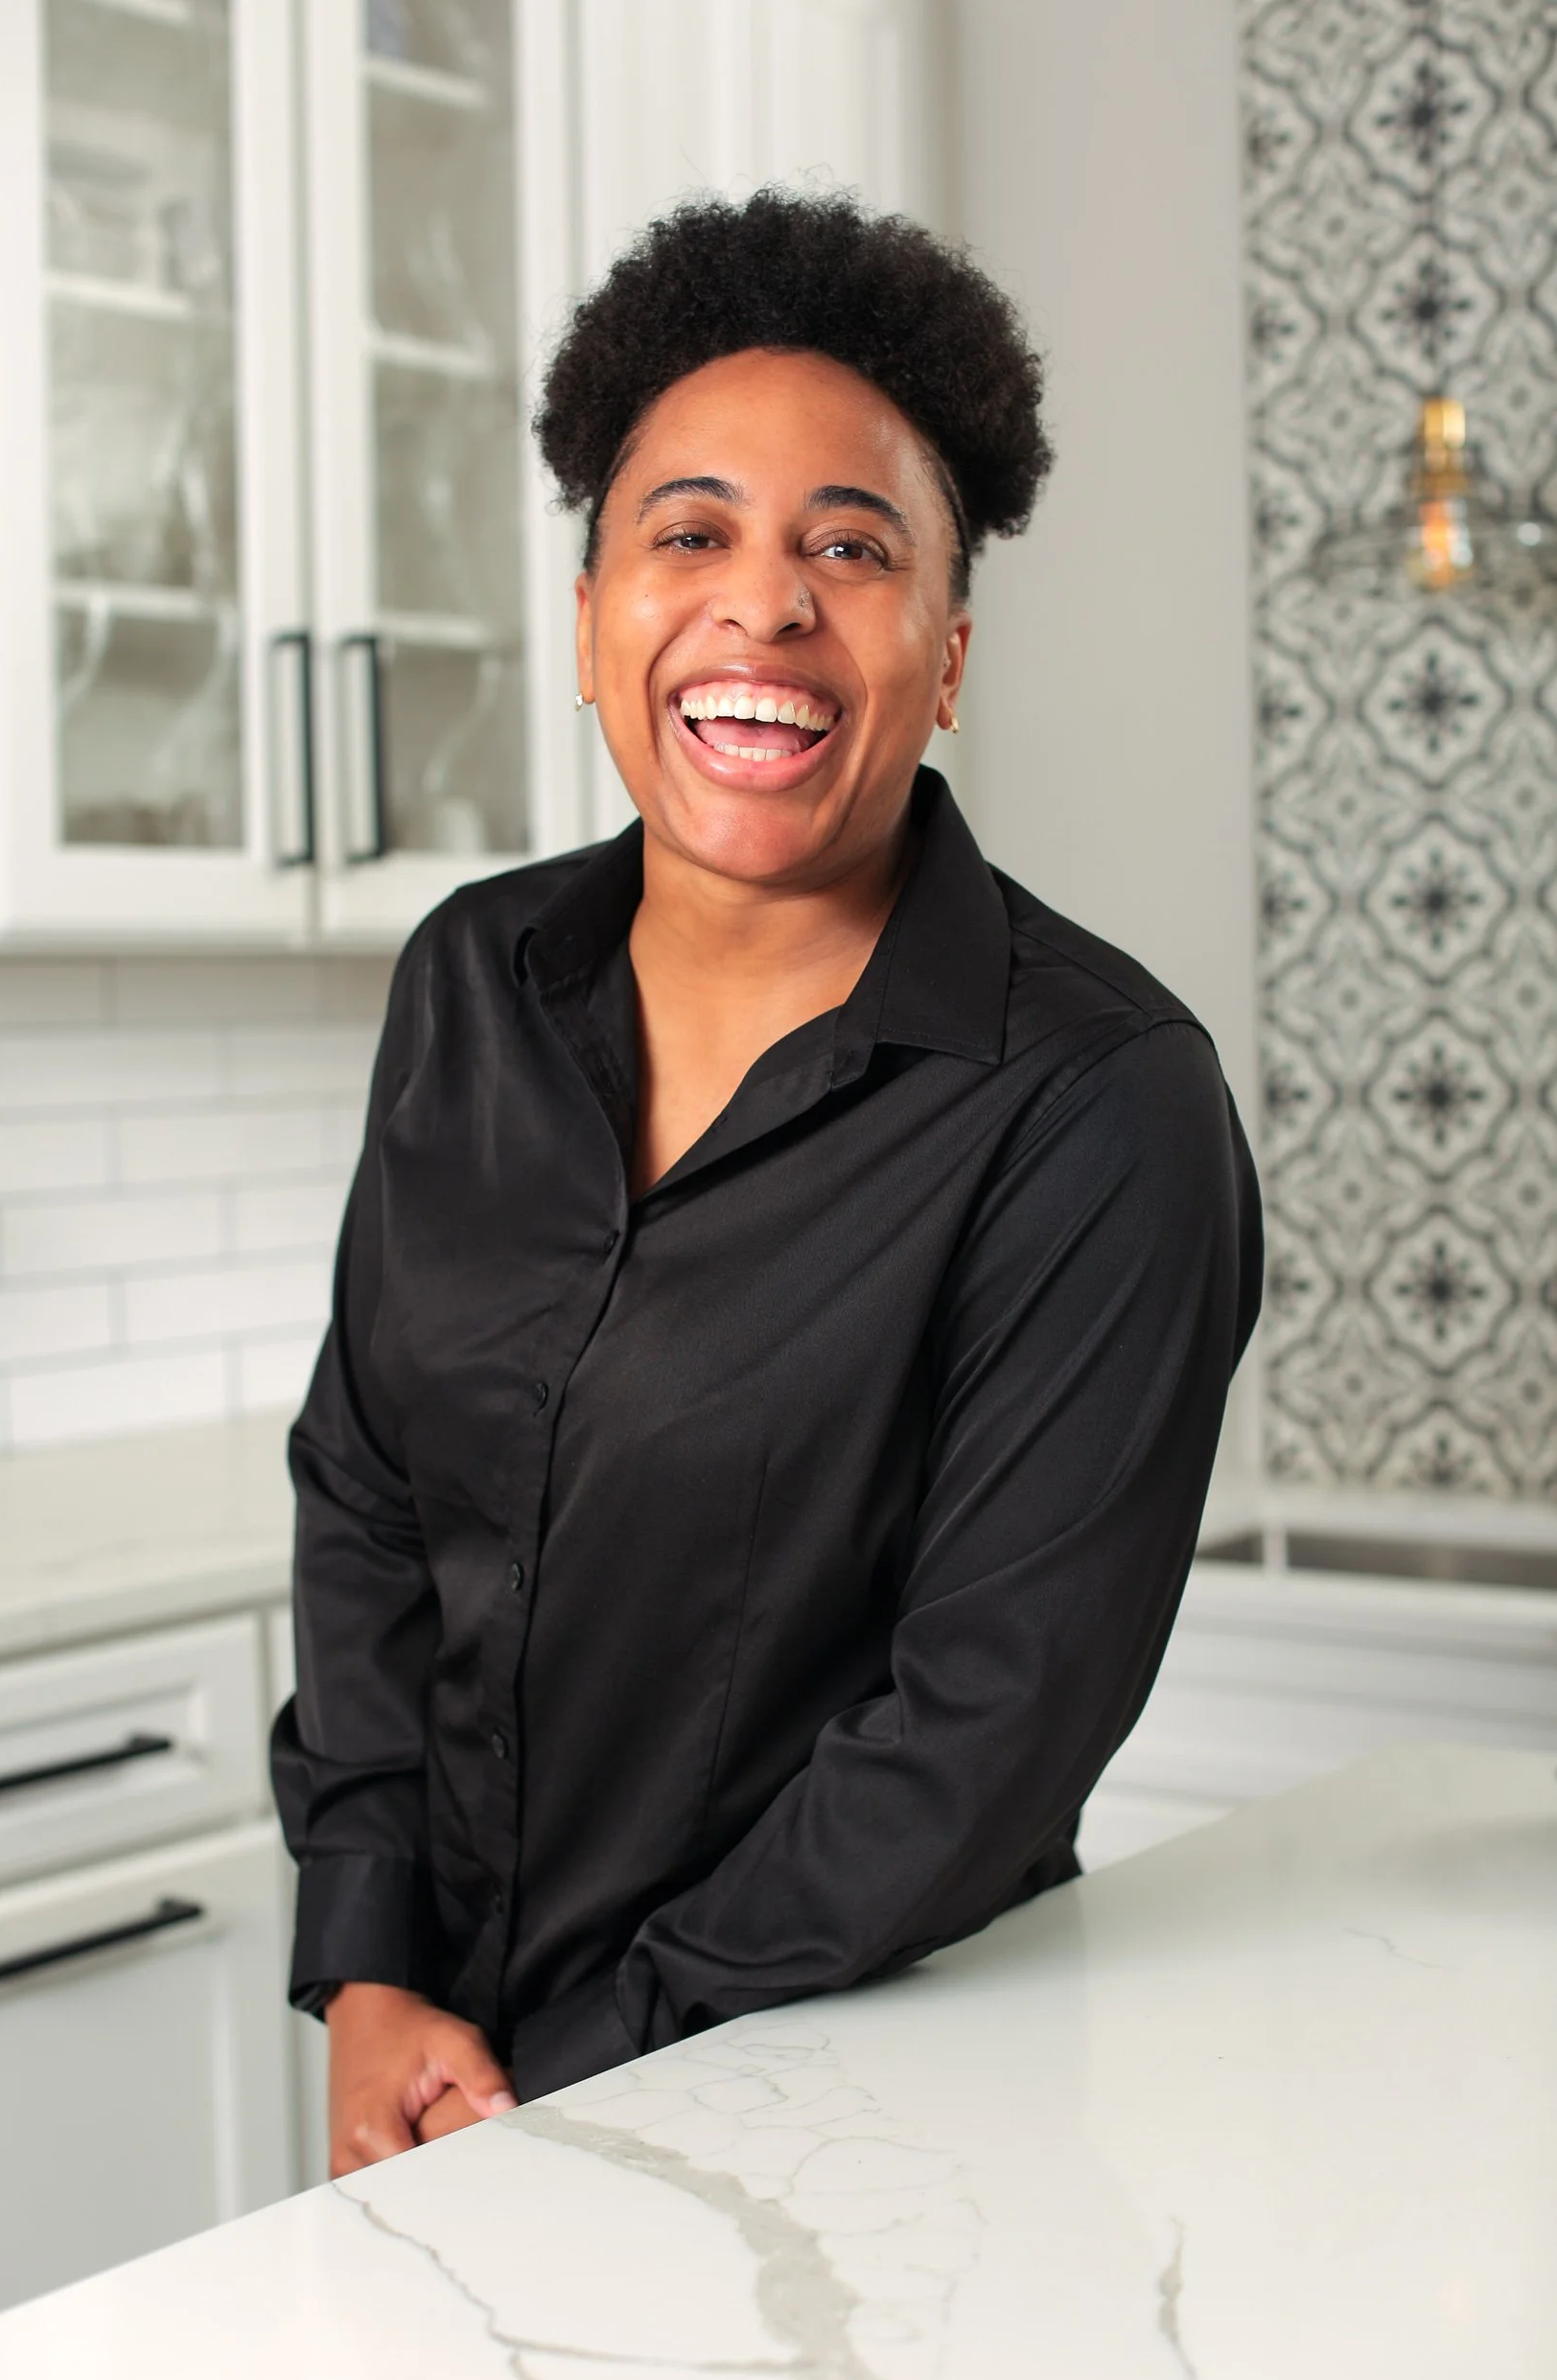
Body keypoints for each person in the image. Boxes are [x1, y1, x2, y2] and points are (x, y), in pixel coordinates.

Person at [271, 189, 1262, 2175]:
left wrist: (569, 2065)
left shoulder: (1097, 1104)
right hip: (442, 2081)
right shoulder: (470, 980)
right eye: (690, 532)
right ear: (588, 623)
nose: (765, 603)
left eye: (849, 546)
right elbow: (370, 1492)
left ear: (945, 650)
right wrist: (370, 1959)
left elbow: (974, 1733)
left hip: (853, 2125)